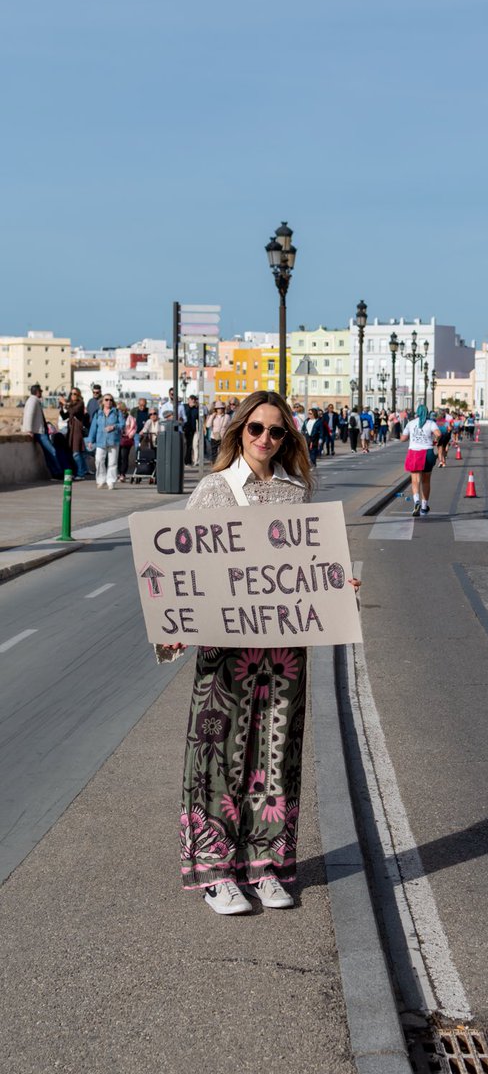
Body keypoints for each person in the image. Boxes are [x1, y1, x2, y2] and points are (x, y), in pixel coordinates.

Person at [159, 390, 359, 916]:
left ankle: (267, 866)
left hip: (282, 652)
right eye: (256, 429)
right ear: (238, 431)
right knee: (219, 755)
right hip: (227, 651)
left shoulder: (296, 494)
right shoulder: (214, 490)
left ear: (288, 438)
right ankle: (217, 872)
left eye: (277, 432)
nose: (266, 439)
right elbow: (185, 568)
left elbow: (306, 567)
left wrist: (335, 584)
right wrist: (175, 621)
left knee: (274, 756)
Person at [400, 404, 439, 516]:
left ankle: (416, 500)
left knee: (415, 480)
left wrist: (404, 436)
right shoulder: (431, 423)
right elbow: (438, 434)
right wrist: (436, 440)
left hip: (414, 453)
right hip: (428, 452)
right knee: (426, 481)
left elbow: (403, 439)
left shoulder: (411, 423)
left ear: (417, 412)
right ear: (426, 413)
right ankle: (424, 506)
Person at [22, 383, 62, 479]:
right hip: (39, 432)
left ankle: (55, 473)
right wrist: (29, 430)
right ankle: (58, 473)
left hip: (40, 431)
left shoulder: (34, 400)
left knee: (48, 454)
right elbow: (29, 415)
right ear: (37, 392)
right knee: (52, 451)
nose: (42, 393)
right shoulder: (33, 401)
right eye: (40, 391)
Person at [87, 393, 123, 489]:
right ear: (102, 402)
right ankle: (100, 480)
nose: (109, 402)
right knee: (99, 460)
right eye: (106, 400)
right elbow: (93, 427)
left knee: (112, 462)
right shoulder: (98, 413)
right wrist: (90, 440)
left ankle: (111, 481)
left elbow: (122, 425)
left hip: (113, 440)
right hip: (100, 440)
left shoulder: (117, 412)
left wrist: (114, 426)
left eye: (111, 400)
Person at [58, 388, 89, 479]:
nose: (72, 395)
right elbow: (65, 416)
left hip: (77, 430)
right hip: (71, 430)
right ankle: (80, 470)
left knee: (76, 452)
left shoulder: (80, 404)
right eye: (71, 394)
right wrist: (61, 407)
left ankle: (81, 473)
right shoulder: (71, 405)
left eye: (75, 394)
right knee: (73, 452)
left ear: (78, 395)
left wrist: (65, 403)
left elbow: (73, 411)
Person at [117, 402, 137, 481]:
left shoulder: (130, 417)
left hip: (126, 439)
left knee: (124, 457)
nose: (119, 411)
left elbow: (134, 427)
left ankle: (123, 473)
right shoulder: (115, 417)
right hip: (117, 438)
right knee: (118, 457)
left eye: (120, 409)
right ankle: (119, 472)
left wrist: (130, 435)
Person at [184, 395, 199, 466]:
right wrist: (190, 407)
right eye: (192, 399)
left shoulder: (196, 409)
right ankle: (185, 460)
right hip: (184, 429)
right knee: (184, 445)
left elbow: (198, 418)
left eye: (194, 399)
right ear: (189, 400)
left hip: (192, 429)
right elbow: (185, 415)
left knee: (190, 445)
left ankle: (188, 461)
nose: (193, 401)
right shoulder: (185, 407)